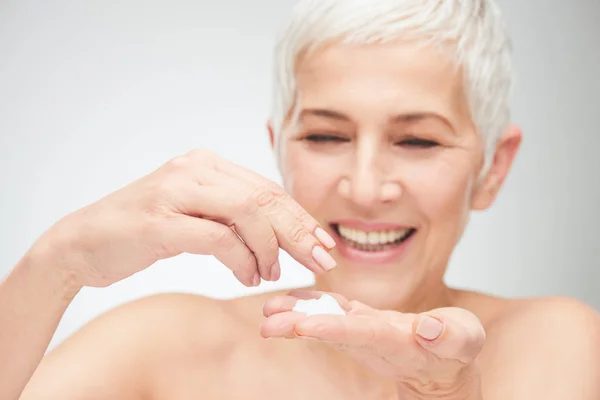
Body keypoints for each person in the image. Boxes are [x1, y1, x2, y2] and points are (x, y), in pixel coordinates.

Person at [2, 0, 599, 398]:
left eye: (417, 139)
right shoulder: (160, 346)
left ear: (493, 169)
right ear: (279, 148)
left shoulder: (555, 344)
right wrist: (61, 259)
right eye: (325, 136)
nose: (366, 188)